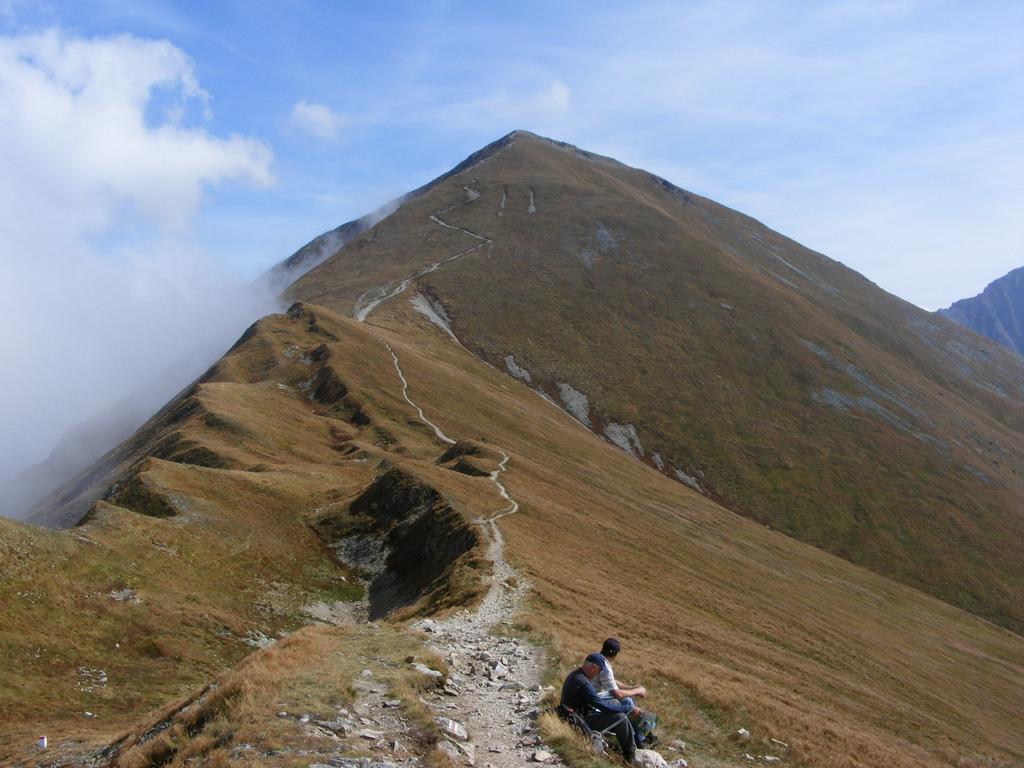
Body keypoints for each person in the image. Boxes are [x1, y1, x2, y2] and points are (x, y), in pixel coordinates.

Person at [559, 653, 637, 762]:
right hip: (579, 722)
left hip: (573, 716)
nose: (598, 674)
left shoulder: (576, 675)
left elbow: (596, 702)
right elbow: (601, 705)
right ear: (593, 668)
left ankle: (623, 740)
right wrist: (628, 708)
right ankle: (630, 755)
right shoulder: (583, 683)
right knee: (621, 717)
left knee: (615, 703)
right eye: (599, 670)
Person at [595, 638, 650, 747]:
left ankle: (642, 735)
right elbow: (617, 694)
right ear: (615, 655)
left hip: (596, 698)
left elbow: (612, 682)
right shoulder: (605, 667)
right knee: (628, 702)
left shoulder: (597, 659)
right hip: (596, 702)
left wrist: (631, 688)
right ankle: (639, 741)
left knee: (628, 700)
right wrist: (637, 691)